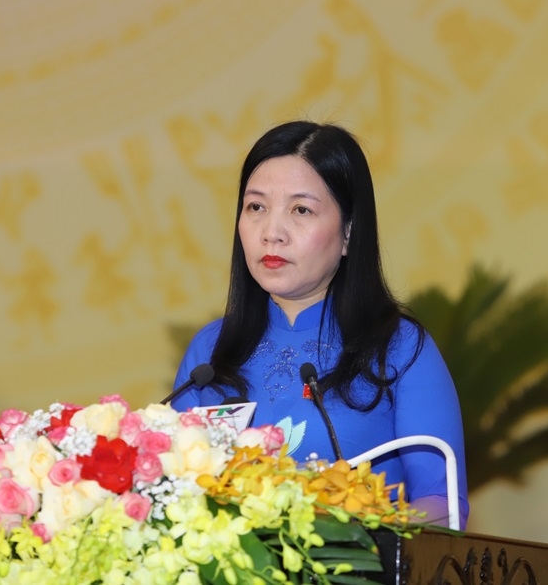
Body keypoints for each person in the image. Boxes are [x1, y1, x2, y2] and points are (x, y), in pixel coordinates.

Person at [171, 121, 469, 529]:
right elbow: (170, 494)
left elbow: (443, 503)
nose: (272, 233)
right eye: (256, 207)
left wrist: (358, 530)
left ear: (348, 233)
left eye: (301, 210)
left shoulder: (399, 348)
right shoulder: (209, 352)